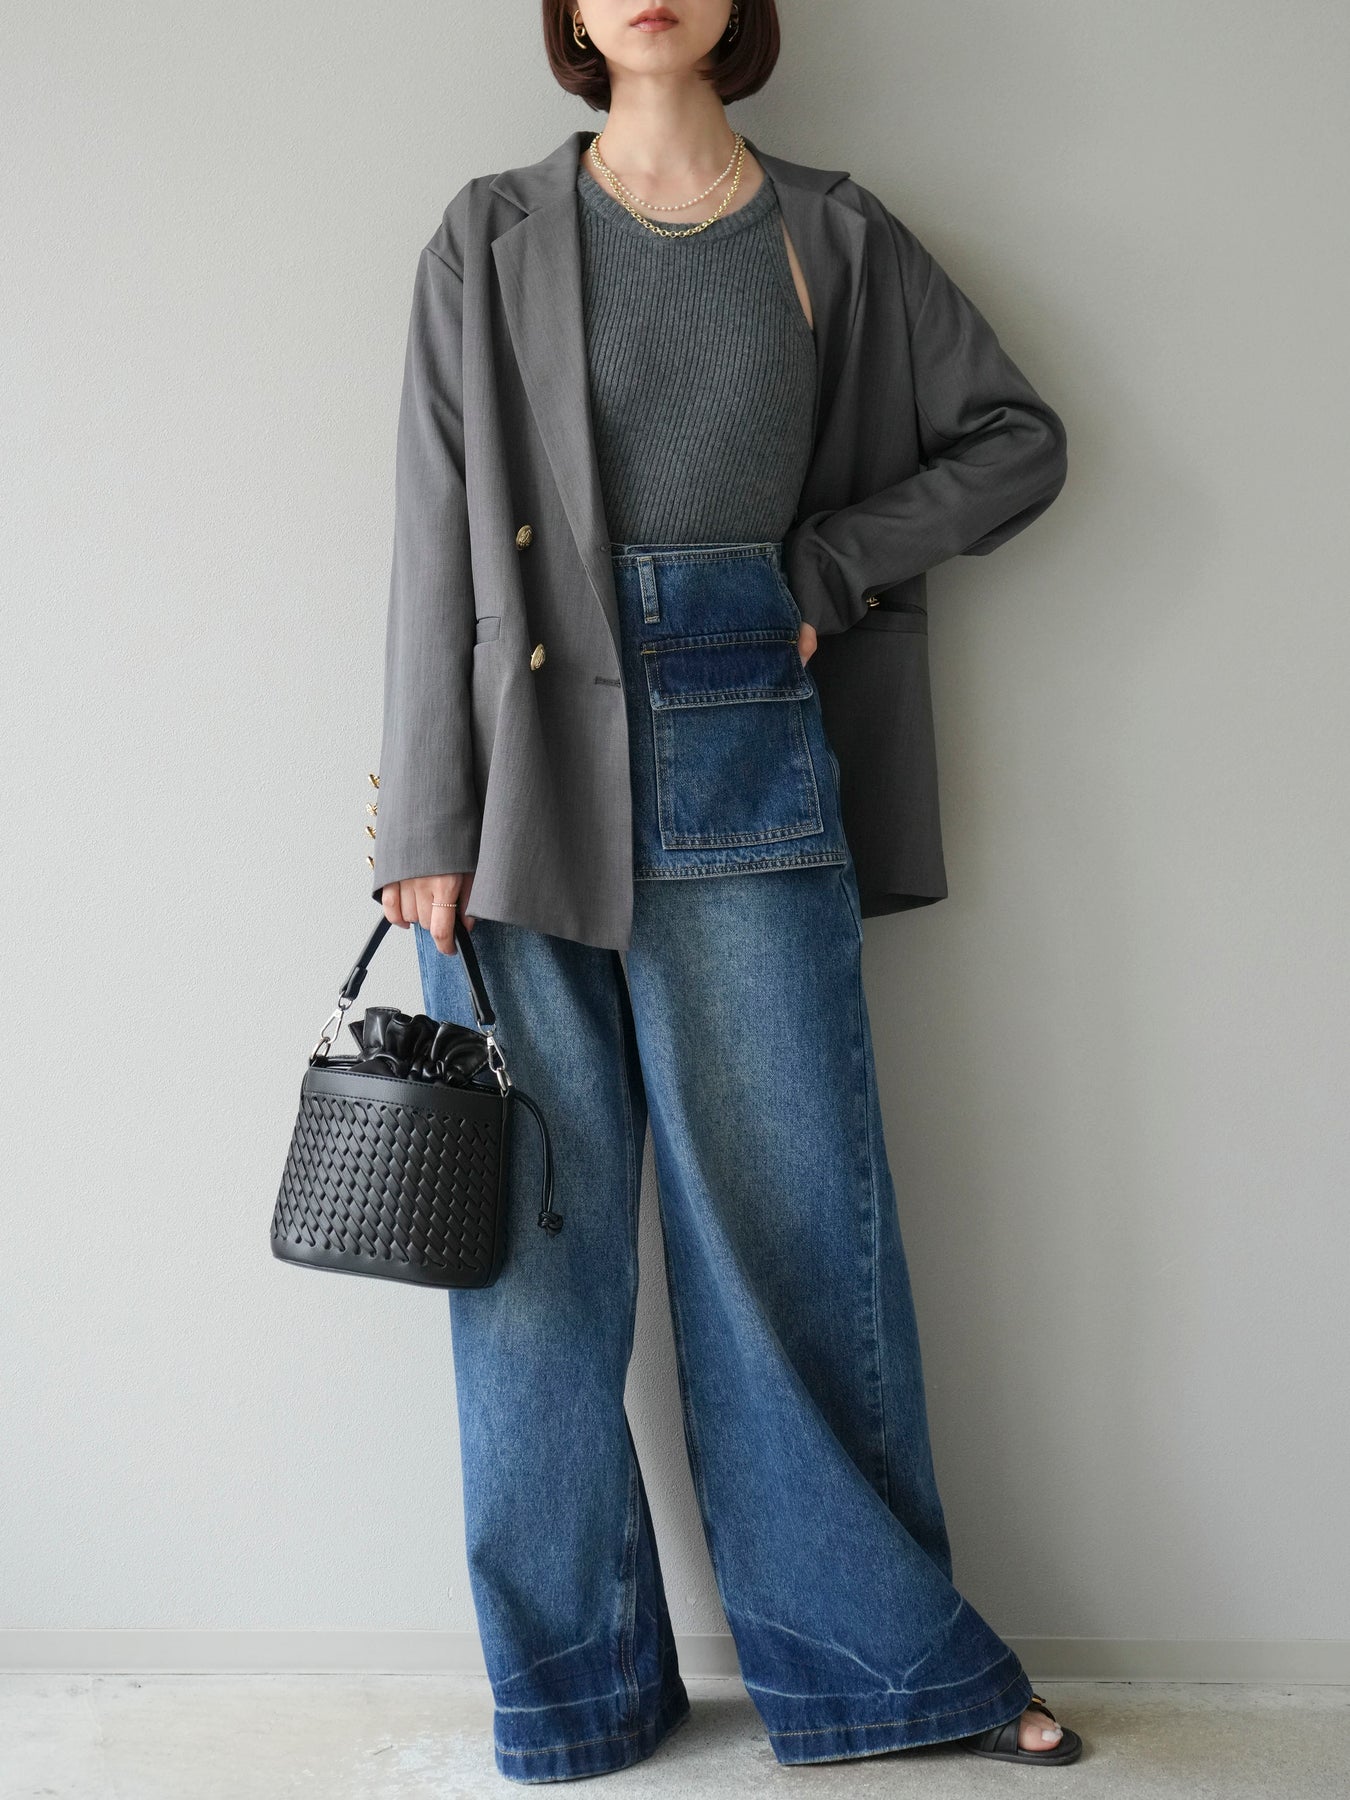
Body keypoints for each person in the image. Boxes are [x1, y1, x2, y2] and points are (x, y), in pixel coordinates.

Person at [368, 0, 1077, 1781]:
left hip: (747, 721)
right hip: (517, 771)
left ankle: (881, 1674)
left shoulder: (833, 230)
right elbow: (432, 521)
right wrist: (423, 812)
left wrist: (821, 569)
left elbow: (1014, 438)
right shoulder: (489, 231)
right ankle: (570, 1696)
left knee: (788, 1242)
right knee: (531, 1269)